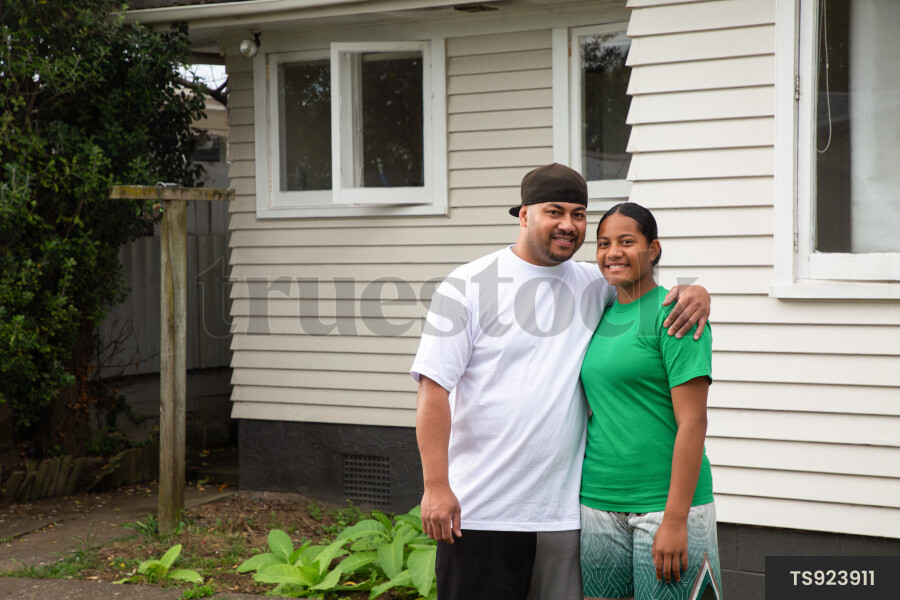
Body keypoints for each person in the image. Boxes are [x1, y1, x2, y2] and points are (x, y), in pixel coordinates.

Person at [410, 164, 712, 600]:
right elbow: (433, 389)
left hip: (565, 516)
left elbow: (647, 294)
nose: (568, 225)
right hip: (481, 512)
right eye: (555, 212)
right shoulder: (467, 285)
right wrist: (436, 487)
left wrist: (696, 292)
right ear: (524, 215)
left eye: (578, 214)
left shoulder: (595, 283)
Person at [579, 202, 722, 600]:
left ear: (653, 249)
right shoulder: (599, 312)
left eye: (627, 242)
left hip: (666, 506)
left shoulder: (676, 314)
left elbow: (693, 423)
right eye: (603, 243)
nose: (613, 252)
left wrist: (674, 521)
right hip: (598, 504)